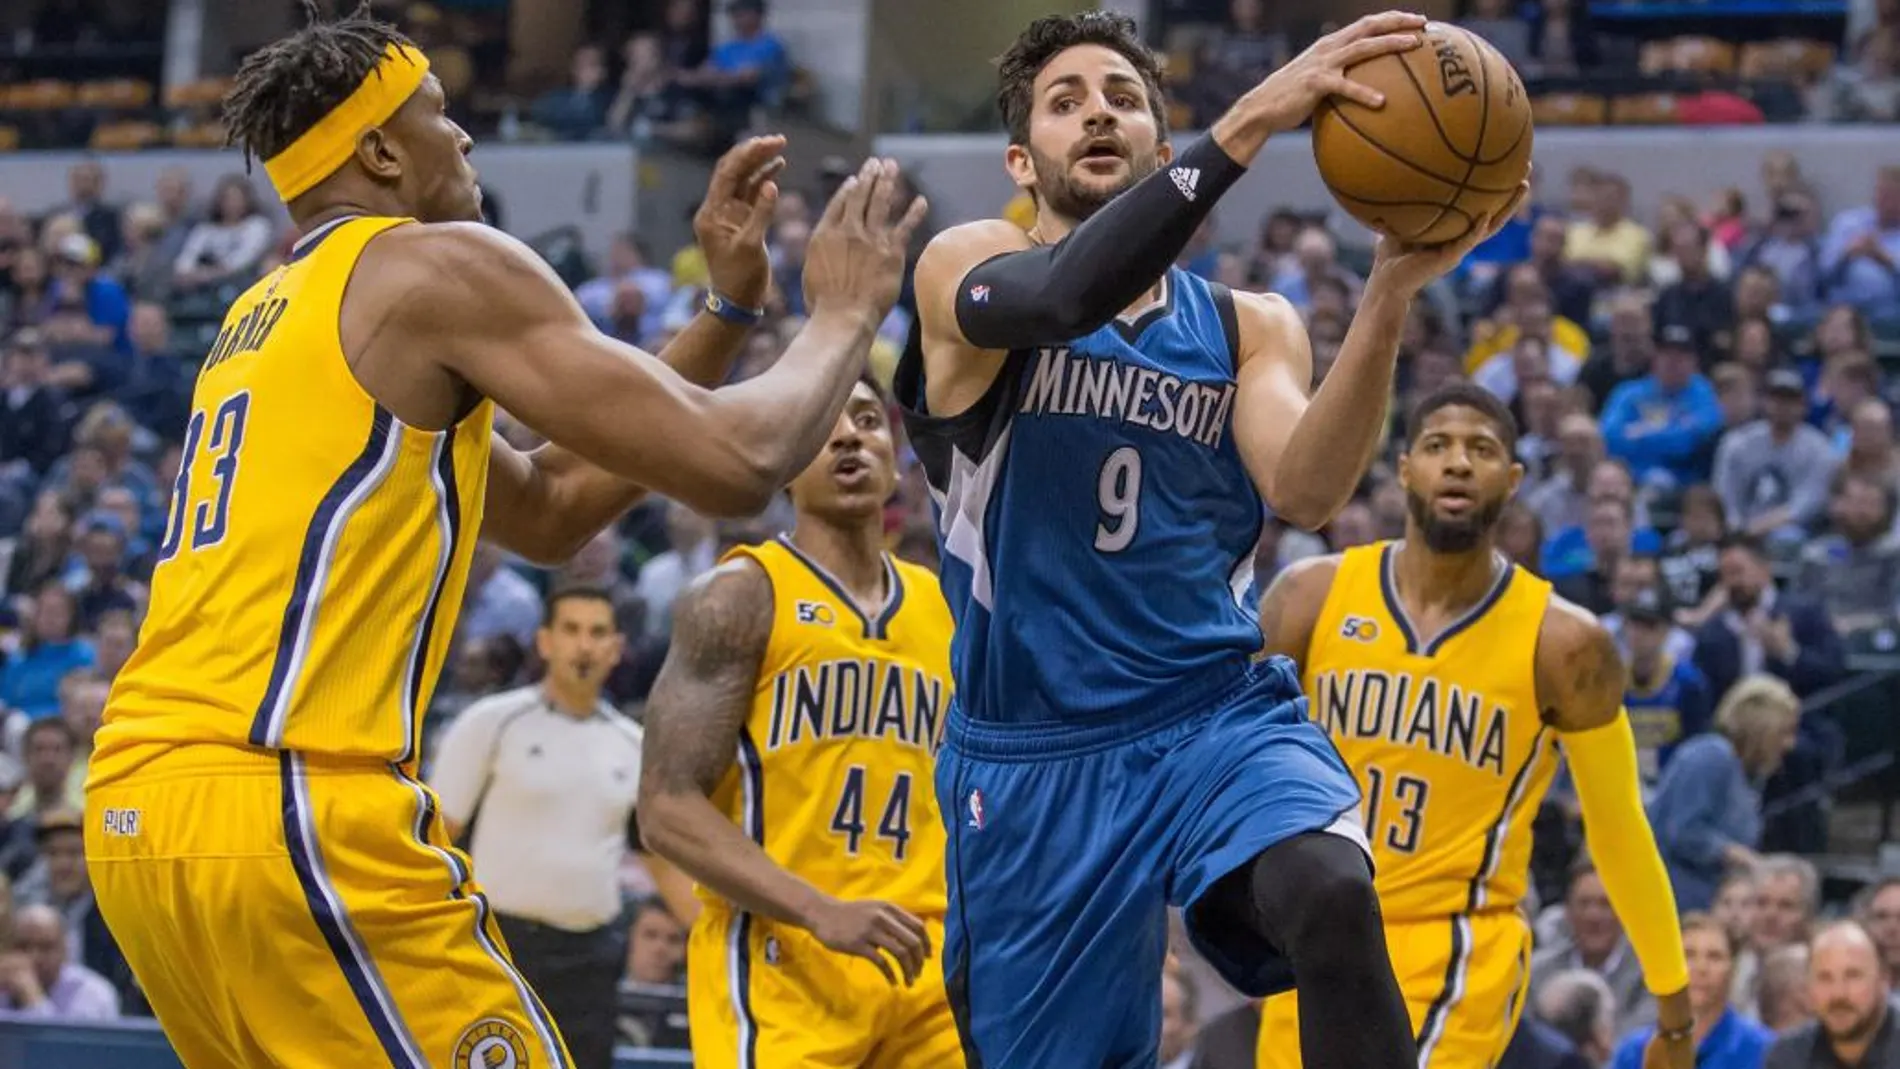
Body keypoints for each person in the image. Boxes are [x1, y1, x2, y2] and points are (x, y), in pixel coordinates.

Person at [81, 7, 923, 1067]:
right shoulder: (433, 265)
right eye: (440, 115)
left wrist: (722, 310)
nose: (465, 137)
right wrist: (844, 316)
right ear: (382, 150)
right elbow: (736, 463)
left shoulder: (270, 313)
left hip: (144, 815)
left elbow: (550, 506)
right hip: (288, 793)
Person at [895, 12, 1523, 1068]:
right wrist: (1243, 128)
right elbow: (1062, 296)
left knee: (1326, 887)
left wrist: (1388, 291)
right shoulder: (970, 267)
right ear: (1020, 158)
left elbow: (1310, 486)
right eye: (1065, 101)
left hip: (1208, 714)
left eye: (1122, 98)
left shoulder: (1246, 324)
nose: (1097, 110)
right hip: (1035, 751)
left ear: (1152, 137)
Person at [1252, 384, 1692, 1069]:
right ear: (1403, 469)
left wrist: (1673, 1003)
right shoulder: (1311, 596)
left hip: (1458, 944)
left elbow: (1618, 825)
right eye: (1438, 445)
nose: (1458, 463)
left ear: (1513, 481)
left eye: (1481, 449)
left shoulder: (1565, 644)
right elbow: (1231, 756)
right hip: (1316, 934)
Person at [640, 377, 962, 1069]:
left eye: (870, 420)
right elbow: (665, 808)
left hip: (924, 966)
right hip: (785, 961)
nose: (849, 435)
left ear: (894, 452)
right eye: (823, 425)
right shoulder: (741, 595)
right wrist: (820, 908)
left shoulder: (948, 608)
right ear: (784, 462)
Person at [427, 586, 651, 1069]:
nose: (584, 645)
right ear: (545, 642)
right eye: (571, 630)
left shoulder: (634, 743)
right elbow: (435, 838)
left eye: (598, 632)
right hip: (502, 946)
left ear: (617, 647)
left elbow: (654, 854)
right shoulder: (491, 722)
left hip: (593, 956)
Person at [1647, 675, 1799, 912]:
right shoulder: (1711, 756)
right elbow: (1682, 830)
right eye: (1785, 731)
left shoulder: (1748, 774)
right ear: (1762, 727)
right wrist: (1739, 856)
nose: (1790, 744)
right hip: (1674, 903)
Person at [1611, 914, 1774, 1069]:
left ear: (1733, 968)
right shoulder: (1634, 1052)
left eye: (1714, 957)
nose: (1701, 968)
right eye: (1688, 955)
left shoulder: (1764, 1050)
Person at [1765, 922, 1900, 1069]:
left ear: (1884, 979)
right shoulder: (1788, 1057)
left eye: (1853, 976)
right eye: (1824, 978)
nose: (1838, 994)